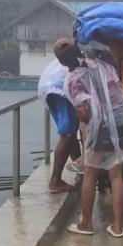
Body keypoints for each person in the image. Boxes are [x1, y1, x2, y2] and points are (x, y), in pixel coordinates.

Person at [60, 38, 123, 238]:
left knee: (90, 174)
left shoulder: (74, 78)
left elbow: (84, 111)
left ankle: (86, 224)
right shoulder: (105, 66)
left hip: (102, 125)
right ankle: (117, 227)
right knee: (116, 175)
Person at [39, 42, 81, 193]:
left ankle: (80, 173)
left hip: (51, 89)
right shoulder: (73, 63)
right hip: (59, 91)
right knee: (68, 134)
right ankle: (55, 180)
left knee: (72, 132)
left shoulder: (60, 62)